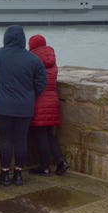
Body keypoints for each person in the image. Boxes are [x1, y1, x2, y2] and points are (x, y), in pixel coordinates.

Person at [0, 25, 47, 186]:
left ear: (6, 38)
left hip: (3, 106)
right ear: (22, 39)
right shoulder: (33, 59)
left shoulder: (0, 54)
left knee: (5, 140)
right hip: (24, 107)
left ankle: (5, 174)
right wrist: (31, 94)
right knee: (21, 140)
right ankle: (19, 174)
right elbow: (42, 81)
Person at [28, 34, 70, 176]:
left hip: (39, 102)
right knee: (50, 135)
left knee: (40, 136)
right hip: (53, 101)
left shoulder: (32, 60)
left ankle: (44, 167)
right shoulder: (51, 59)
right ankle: (61, 161)